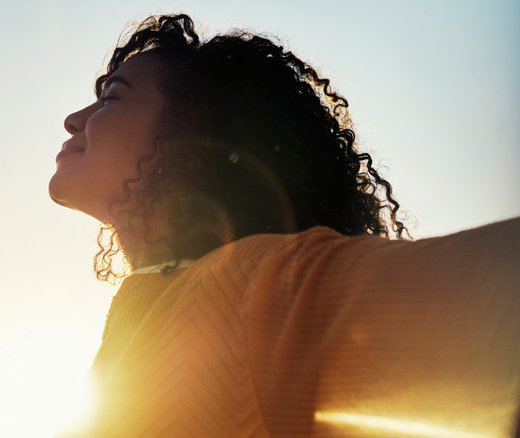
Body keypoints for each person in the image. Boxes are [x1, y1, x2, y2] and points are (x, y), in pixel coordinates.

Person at [49, 14, 520, 438]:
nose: (74, 120)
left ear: (194, 138)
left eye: (111, 98)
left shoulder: (260, 289)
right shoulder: (145, 317)